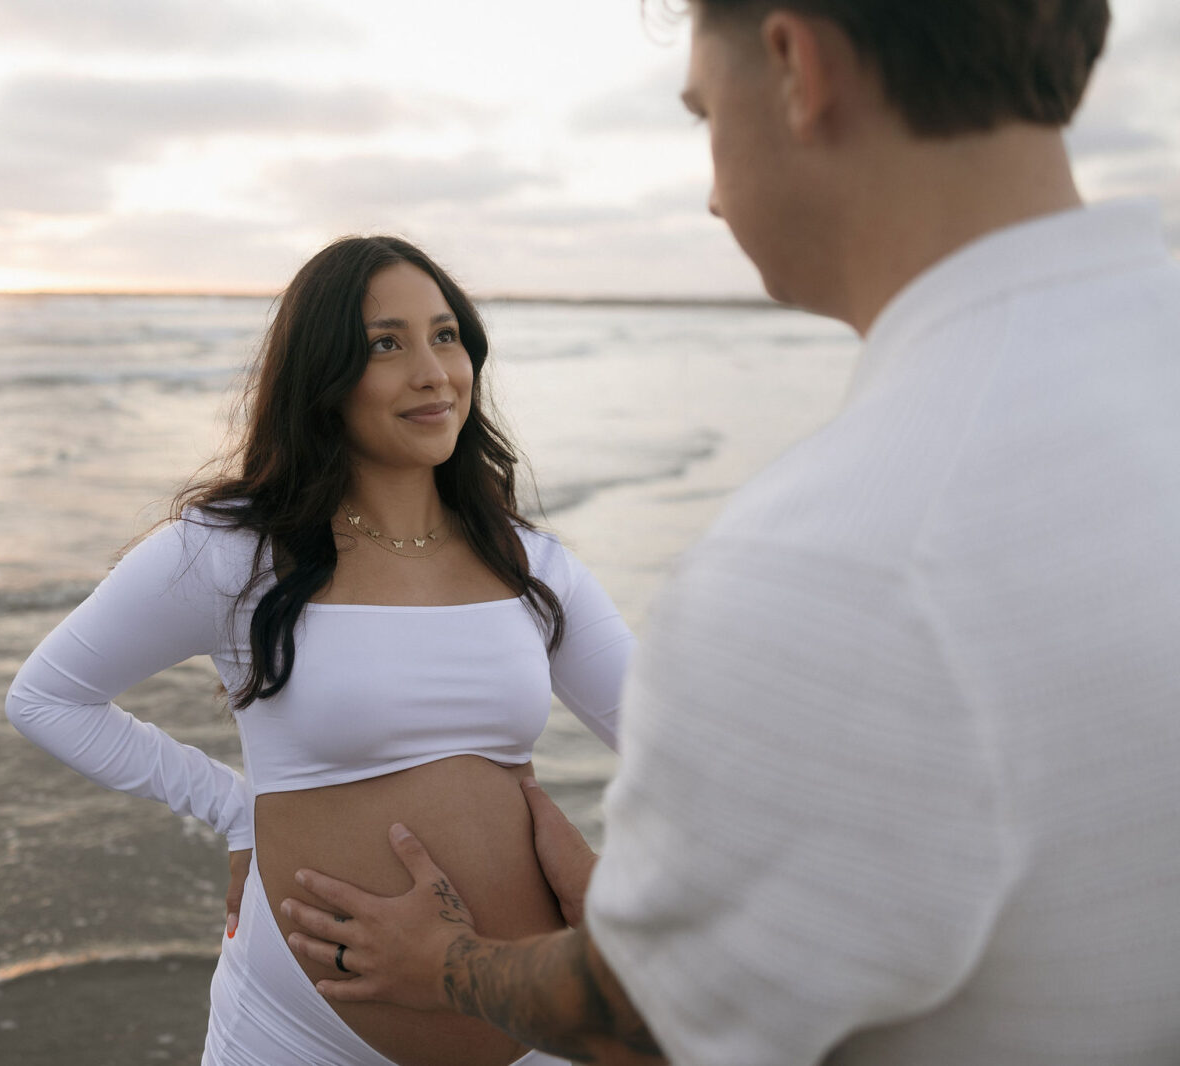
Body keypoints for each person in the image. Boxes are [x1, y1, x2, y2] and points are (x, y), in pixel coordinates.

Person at [281, 2, 1180, 1064]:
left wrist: (454, 963)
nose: (711, 194)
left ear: (796, 67)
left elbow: (650, 1022)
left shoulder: (830, 562)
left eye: (704, 112)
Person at [5, 235, 636, 1066]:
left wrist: (630, 903)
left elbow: (685, 752)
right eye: (386, 344)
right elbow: (48, 697)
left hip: (536, 1028)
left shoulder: (531, 566)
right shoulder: (231, 553)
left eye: (446, 336)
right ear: (323, 376)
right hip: (298, 1033)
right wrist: (233, 810)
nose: (432, 373)